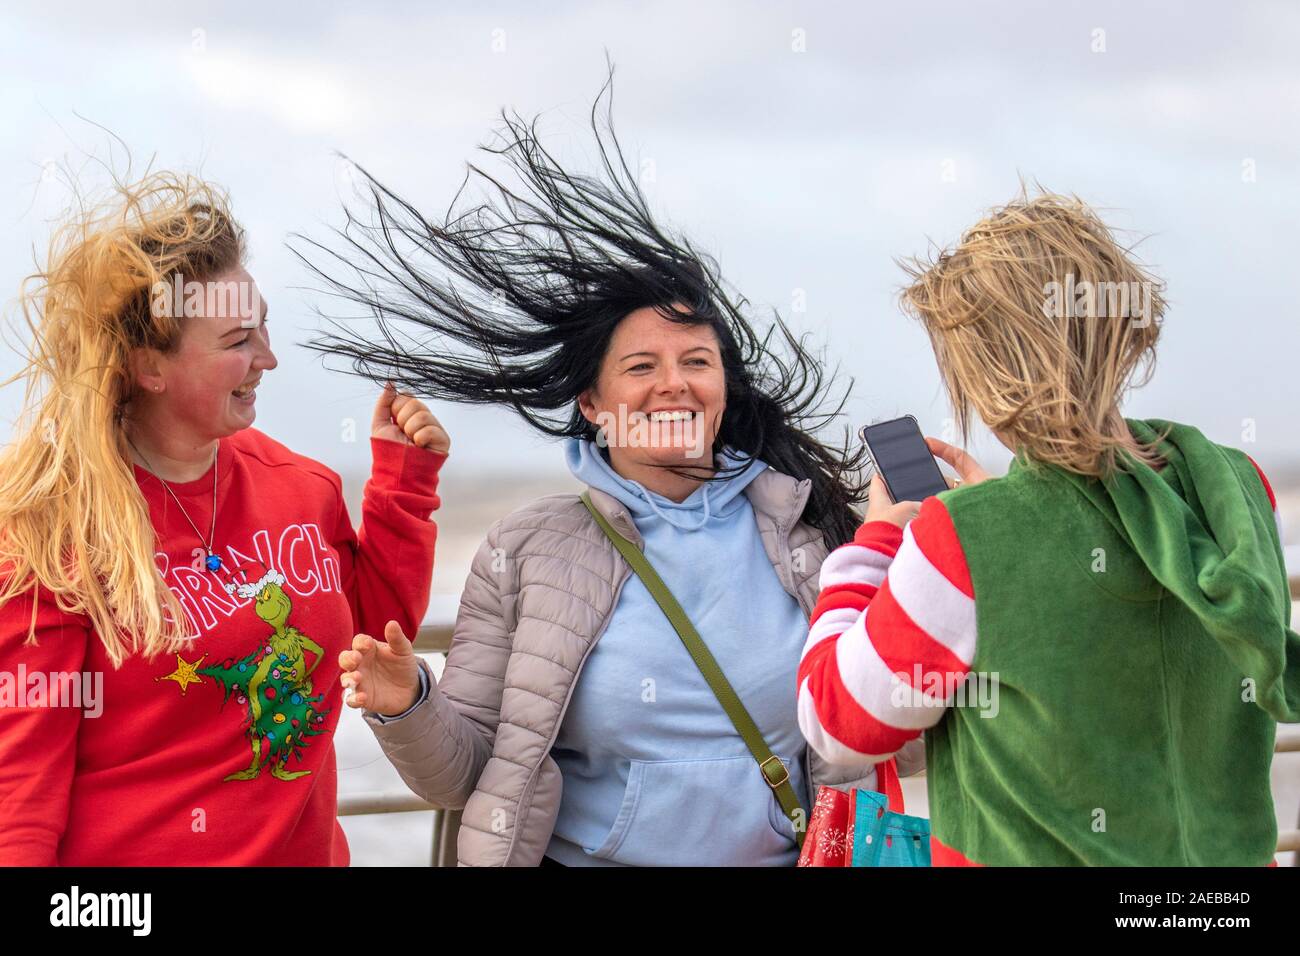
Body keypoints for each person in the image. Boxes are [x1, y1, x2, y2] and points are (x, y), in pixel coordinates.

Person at [307, 77, 923, 866]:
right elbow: (462, 774)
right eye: (642, 365)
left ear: (723, 389)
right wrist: (406, 701)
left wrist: (909, 556)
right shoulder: (528, 548)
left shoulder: (809, 533)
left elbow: (894, 739)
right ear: (593, 403)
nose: (674, 382)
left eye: (697, 361)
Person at [797, 189, 1299, 865]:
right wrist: (1002, 512)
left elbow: (837, 722)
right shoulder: (1239, 485)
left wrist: (878, 546)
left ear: (983, 372)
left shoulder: (964, 539)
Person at [0, 172, 450, 865]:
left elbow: (373, 634)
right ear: (149, 365)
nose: (268, 358)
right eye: (240, 339)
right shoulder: (49, 531)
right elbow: (22, 789)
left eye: (264, 327)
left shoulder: (300, 487)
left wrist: (401, 488)